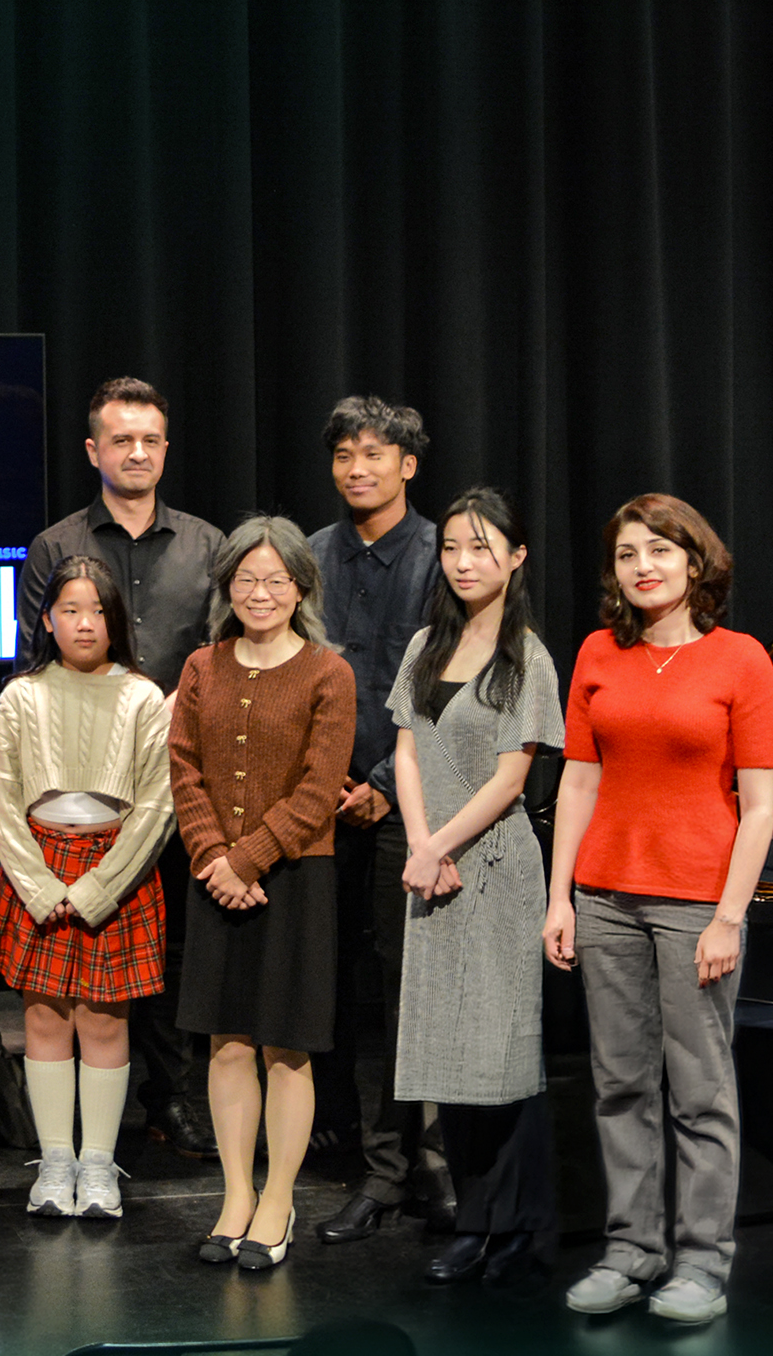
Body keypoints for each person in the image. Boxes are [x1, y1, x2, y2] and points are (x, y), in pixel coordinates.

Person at [545, 495, 773, 1327]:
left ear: (694, 561)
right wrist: (561, 897)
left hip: (694, 905)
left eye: (659, 551)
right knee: (619, 1084)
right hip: (605, 897)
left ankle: (702, 1261)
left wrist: (730, 917)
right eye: (626, 555)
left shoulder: (741, 660)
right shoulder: (597, 654)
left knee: (700, 1091)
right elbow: (578, 780)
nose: (642, 566)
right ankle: (631, 1249)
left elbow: (758, 808)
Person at [18, 377, 224, 1159]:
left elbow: (220, 662)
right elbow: (30, 666)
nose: (137, 452)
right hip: (78, 790)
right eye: (121, 439)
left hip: (180, 781)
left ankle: (170, 1101)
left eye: (151, 440)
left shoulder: (207, 546)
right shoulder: (56, 545)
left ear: (165, 449)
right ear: (93, 450)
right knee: (74, 944)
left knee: (170, 950)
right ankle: (72, 1119)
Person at [170, 517, 354, 1272]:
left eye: (276, 579)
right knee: (226, 1043)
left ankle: (278, 1200)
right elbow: (183, 771)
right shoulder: (201, 667)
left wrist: (248, 859)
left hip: (295, 880)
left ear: (302, 588)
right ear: (227, 587)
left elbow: (319, 790)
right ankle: (235, 1197)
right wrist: (216, 857)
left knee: (286, 1046)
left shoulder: (326, 673)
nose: (260, 592)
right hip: (216, 880)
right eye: (246, 579)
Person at [390, 489, 562, 1287]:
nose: (464, 561)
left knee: (502, 1054)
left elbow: (512, 778)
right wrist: (422, 844)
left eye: (483, 547)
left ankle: (518, 1225)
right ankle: (472, 1220)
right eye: (454, 546)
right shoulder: (427, 643)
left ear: (516, 557)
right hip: (433, 869)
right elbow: (406, 752)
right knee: (447, 1054)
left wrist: (443, 843)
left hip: (494, 867)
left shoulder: (528, 656)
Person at [306, 396, 456, 1244]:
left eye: (376, 452)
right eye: (344, 454)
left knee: (408, 991)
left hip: (413, 806)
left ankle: (411, 1164)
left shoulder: (444, 555)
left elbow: (449, 690)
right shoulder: (313, 555)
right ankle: (366, 1156)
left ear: (408, 464)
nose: (358, 467)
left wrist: (382, 789)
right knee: (339, 991)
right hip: (320, 808)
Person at [0, 559, 171, 1223]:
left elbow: (157, 806)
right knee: (43, 1018)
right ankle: (56, 1157)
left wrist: (96, 887)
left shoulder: (144, 697)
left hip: (114, 870)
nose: (83, 622)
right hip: (39, 860)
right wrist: (36, 883)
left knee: (104, 1019)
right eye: (69, 609)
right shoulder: (21, 696)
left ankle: (98, 1163)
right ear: (46, 619)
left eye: (96, 610)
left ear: (115, 620)